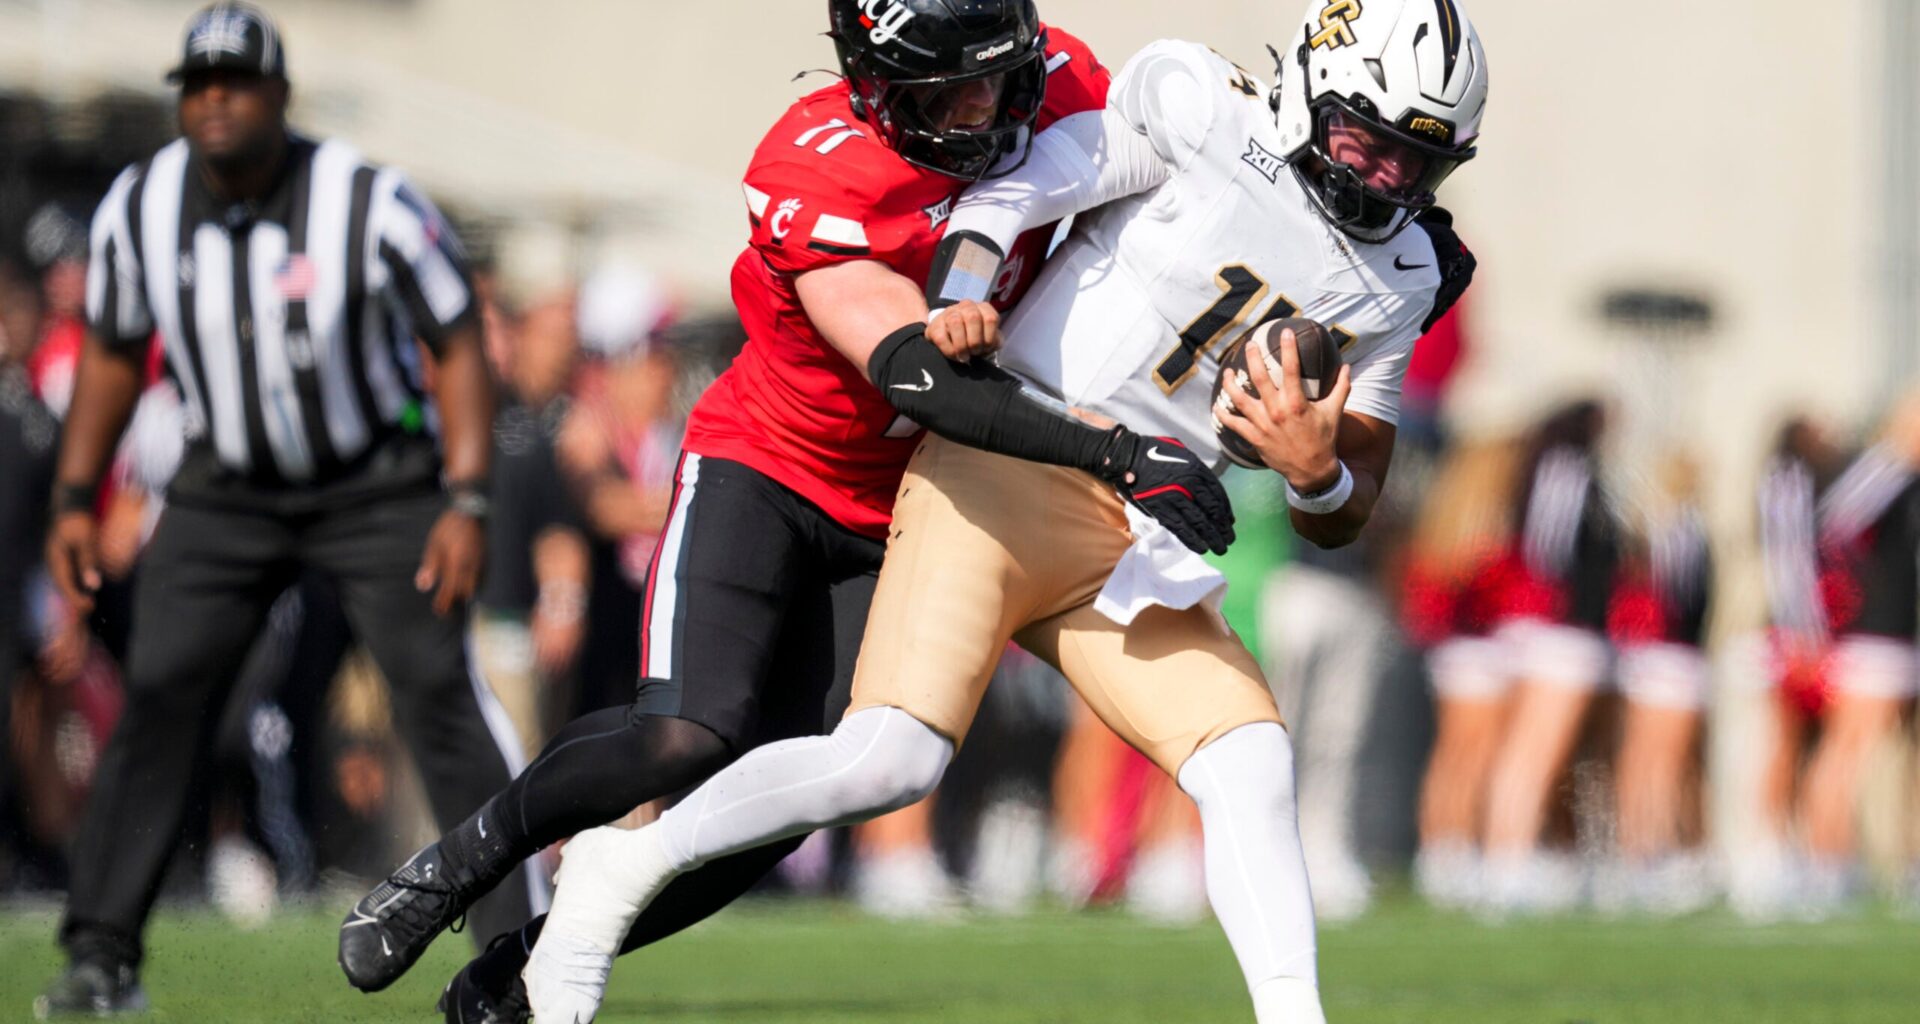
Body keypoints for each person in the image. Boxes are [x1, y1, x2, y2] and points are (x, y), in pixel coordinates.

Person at [523, 2, 1485, 1021]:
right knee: (889, 757)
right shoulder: (1203, 109)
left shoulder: (1402, 271)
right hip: (1011, 461)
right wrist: (959, 292)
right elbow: (1022, 185)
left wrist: (1314, 473)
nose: (1380, 176)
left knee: (1249, 756)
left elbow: (1350, 499)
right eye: (1362, 139)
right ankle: (618, 870)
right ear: (1306, 86)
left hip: (1140, 525)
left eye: (1411, 165)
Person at [337, 5, 1230, 1018]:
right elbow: (921, 380)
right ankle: (459, 862)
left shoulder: (1066, 80)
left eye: (991, 78)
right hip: (767, 467)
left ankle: (519, 972)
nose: (979, 110)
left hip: (897, 506)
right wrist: (1113, 452)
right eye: (943, 92)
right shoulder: (822, 168)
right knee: (685, 735)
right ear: (874, 84)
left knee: (774, 810)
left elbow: (1202, 179)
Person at [35, 5, 541, 1015]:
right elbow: (111, 353)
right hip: (226, 487)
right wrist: (74, 495)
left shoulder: (367, 201)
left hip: (374, 481)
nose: (213, 102)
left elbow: (456, 341)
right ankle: (101, 955)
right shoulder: (143, 204)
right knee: (163, 690)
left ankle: (519, 957)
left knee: (437, 692)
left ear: (278, 95)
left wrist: (469, 496)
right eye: (197, 85)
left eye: (235, 83)